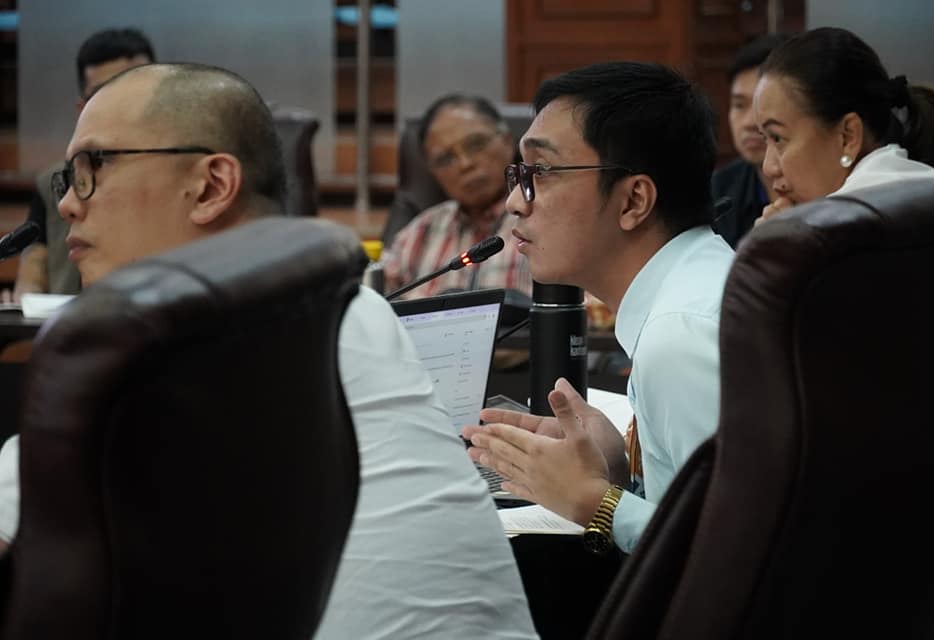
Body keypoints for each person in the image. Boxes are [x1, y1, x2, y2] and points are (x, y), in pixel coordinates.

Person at [0, 63, 538, 640]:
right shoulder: (354, 308)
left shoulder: (147, 356)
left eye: (94, 168)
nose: (68, 205)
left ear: (211, 185)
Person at [463, 62, 735, 555]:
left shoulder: (682, 334)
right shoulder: (700, 278)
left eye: (542, 172)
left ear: (633, 201)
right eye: (519, 173)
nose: (514, 202)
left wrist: (596, 501)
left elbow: (735, 551)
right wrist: (619, 468)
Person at [2, 28, 155, 303]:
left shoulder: (177, 174)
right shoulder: (53, 183)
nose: (122, 104)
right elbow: (32, 276)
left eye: (135, 89)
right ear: (83, 108)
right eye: (103, 93)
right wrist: (26, 299)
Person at [753, 27, 934, 224]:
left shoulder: (839, 230)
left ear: (848, 136)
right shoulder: (924, 192)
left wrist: (779, 242)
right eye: (765, 138)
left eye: (778, 138)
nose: (768, 168)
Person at [382, 94, 532, 299]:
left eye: (476, 145)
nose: (465, 164)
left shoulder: (543, 223)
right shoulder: (417, 234)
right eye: (446, 158)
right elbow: (373, 302)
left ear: (507, 141)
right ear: (433, 173)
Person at [711, 33, 789, 248]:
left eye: (761, 106)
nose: (749, 122)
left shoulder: (830, 190)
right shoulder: (718, 191)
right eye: (739, 105)